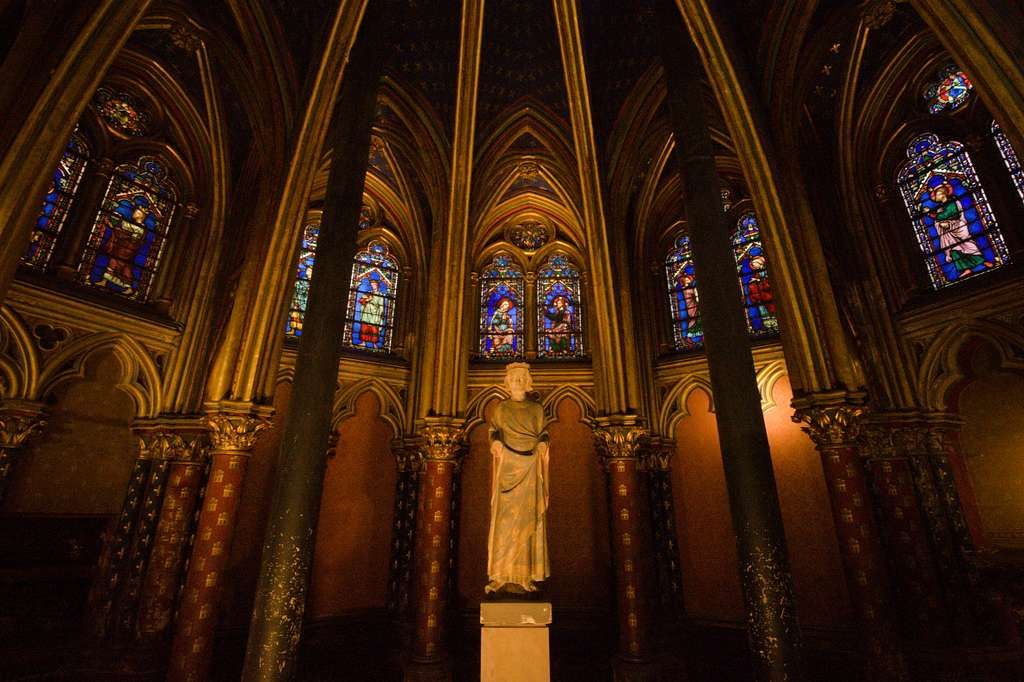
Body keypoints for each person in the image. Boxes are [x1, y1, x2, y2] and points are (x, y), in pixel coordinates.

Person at [485, 363, 550, 597]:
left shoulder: (536, 409)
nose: (518, 381)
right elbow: (494, 431)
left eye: (522, 378)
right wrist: (495, 442)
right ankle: (501, 575)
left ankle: (524, 576)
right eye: (514, 378)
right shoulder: (501, 408)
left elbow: (543, 432)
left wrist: (543, 443)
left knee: (527, 520)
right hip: (508, 469)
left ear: (528, 381)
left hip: (530, 465)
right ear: (508, 382)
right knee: (504, 523)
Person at [927, 182, 992, 278]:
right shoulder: (941, 207)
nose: (935, 198)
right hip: (948, 232)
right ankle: (966, 269)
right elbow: (941, 217)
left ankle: (985, 262)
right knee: (953, 250)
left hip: (957, 227)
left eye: (936, 195)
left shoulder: (952, 202)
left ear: (942, 194)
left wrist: (931, 214)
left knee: (968, 246)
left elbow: (948, 214)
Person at [357, 279, 385, 347]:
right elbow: (360, 300)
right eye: (372, 285)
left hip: (375, 314)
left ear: (377, 285)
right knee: (364, 328)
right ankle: (363, 342)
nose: (373, 286)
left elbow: (381, 306)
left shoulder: (380, 295)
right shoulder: (368, 293)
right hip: (366, 313)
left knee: (374, 329)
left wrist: (380, 314)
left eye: (374, 284)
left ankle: (374, 344)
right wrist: (367, 300)